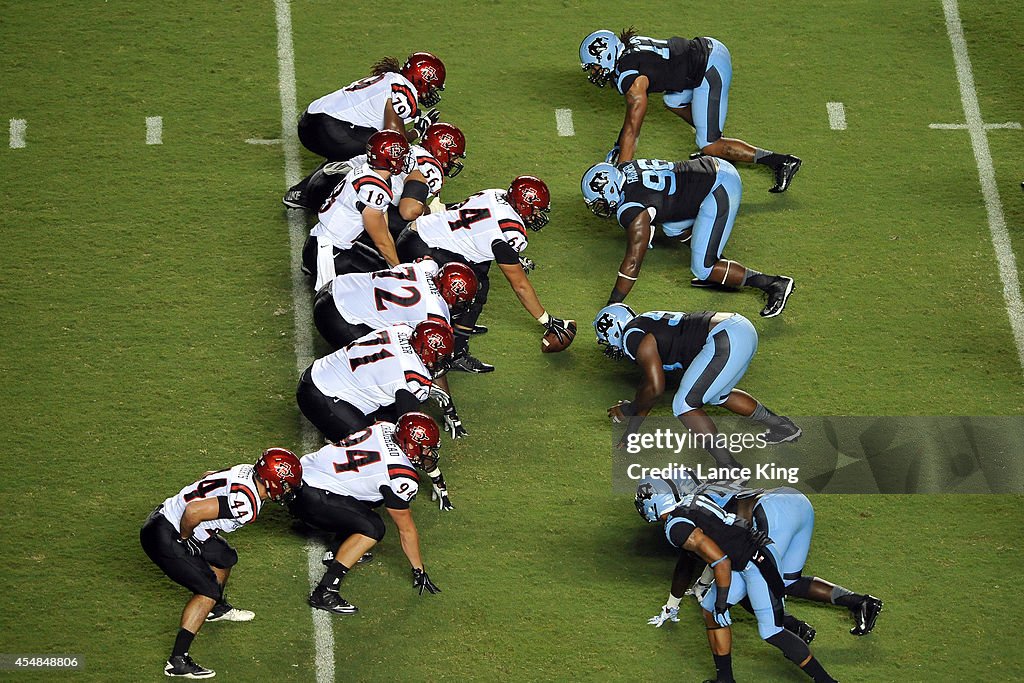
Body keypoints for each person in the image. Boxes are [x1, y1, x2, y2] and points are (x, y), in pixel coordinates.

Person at [635, 479, 840, 683]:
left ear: (653, 503)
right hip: (742, 561)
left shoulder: (676, 528)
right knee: (710, 612)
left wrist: (722, 602)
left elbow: (720, 562)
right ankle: (725, 679)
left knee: (771, 631)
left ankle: (827, 681)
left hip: (757, 562)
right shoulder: (689, 502)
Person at [140, 449, 302, 678]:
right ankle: (177, 661)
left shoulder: (247, 471)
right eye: (286, 485)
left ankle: (215, 609)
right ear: (271, 482)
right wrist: (185, 539)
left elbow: (208, 476)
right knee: (207, 589)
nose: (287, 491)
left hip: (171, 519)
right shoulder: (246, 504)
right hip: (168, 533)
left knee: (225, 557)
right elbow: (194, 510)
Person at [579, 28, 801, 193]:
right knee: (673, 101)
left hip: (709, 68)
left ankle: (781, 162)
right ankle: (719, 142)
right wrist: (619, 146)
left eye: (594, 66)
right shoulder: (628, 50)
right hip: (703, 54)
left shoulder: (631, 78)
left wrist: (621, 172)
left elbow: (633, 129)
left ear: (606, 56)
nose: (594, 72)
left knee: (709, 144)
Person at [396, 176, 573, 372]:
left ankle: (458, 322)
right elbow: (520, 285)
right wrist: (546, 319)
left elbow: (469, 220)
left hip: (416, 234)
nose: (538, 215)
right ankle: (457, 352)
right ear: (523, 205)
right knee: (475, 287)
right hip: (425, 248)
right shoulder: (511, 231)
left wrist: (512, 256)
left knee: (480, 265)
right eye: (537, 209)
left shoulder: (495, 194)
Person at [581, 158, 794, 318]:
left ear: (610, 190)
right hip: (709, 169)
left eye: (599, 202)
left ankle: (774, 284)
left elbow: (633, 261)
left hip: (718, 187)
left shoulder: (633, 212)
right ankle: (719, 270)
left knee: (703, 268)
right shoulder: (626, 169)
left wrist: (613, 303)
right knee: (673, 228)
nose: (599, 207)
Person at [593, 305, 800, 468]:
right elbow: (648, 385)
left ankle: (730, 469)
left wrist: (630, 412)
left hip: (724, 339)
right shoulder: (643, 321)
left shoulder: (632, 338)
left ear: (613, 331)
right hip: (739, 327)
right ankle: (783, 427)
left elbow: (655, 388)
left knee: (684, 405)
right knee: (718, 395)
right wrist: (632, 429)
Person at [290, 412, 444, 615]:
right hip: (312, 499)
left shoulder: (386, 428)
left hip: (299, 478)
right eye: (426, 449)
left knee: (375, 496)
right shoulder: (401, 476)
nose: (429, 454)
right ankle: (326, 591)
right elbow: (406, 530)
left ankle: (339, 548)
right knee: (374, 528)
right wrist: (418, 569)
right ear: (410, 444)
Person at [313, 260, 477, 438]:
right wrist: (449, 408)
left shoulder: (428, 269)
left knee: (388, 347)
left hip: (338, 286)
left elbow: (427, 261)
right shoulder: (434, 314)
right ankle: (348, 408)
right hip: (337, 316)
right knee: (399, 381)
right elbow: (435, 360)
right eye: (461, 301)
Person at [283, 52, 446, 207]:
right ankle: (328, 199)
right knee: (381, 152)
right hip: (329, 128)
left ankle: (301, 192)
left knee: (358, 148)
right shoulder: (404, 90)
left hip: (312, 120)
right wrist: (418, 131)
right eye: (432, 86)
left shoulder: (390, 78)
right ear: (420, 80)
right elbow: (395, 137)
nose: (432, 92)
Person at [298, 121, 468, 239]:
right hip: (346, 195)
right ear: (441, 151)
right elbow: (408, 210)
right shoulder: (431, 168)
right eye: (453, 157)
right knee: (415, 227)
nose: (455, 162)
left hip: (323, 179)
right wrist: (429, 212)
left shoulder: (408, 148)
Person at [295, 320, 455, 443]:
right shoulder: (411, 377)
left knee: (393, 406)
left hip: (321, 371)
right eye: (440, 356)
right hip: (321, 396)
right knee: (375, 445)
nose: (442, 361)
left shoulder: (403, 330)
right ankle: (340, 435)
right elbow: (408, 431)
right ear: (425, 351)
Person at [301, 130, 412, 289]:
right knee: (383, 286)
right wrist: (399, 270)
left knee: (382, 269)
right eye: (401, 156)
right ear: (389, 159)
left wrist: (392, 265)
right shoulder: (373, 189)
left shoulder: (371, 173)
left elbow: (384, 229)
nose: (404, 160)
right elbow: (381, 241)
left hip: (332, 244)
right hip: (327, 251)